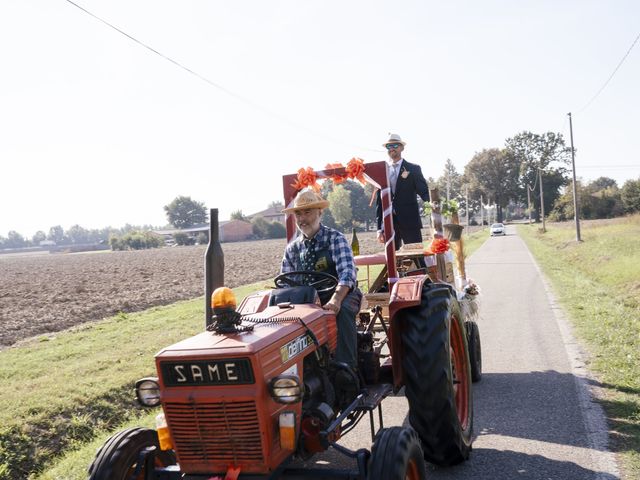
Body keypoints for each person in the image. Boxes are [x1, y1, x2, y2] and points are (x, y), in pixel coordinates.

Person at [281, 189, 361, 369]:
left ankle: (346, 368)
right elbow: (285, 285)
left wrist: (336, 300)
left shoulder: (335, 239)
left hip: (341, 295)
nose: (302, 219)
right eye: (298, 214)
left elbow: (347, 274)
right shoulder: (292, 249)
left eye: (307, 212)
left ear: (320, 212)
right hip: (307, 300)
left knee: (344, 311)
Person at [376, 133, 430, 251]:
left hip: (410, 221)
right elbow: (379, 202)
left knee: (417, 257)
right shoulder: (382, 171)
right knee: (393, 261)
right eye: (389, 147)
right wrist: (379, 229)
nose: (392, 149)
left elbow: (425, 193)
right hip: (389, 224)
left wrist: (436, 206)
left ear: (402, 147)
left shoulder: (413, 169)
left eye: (395, 145)